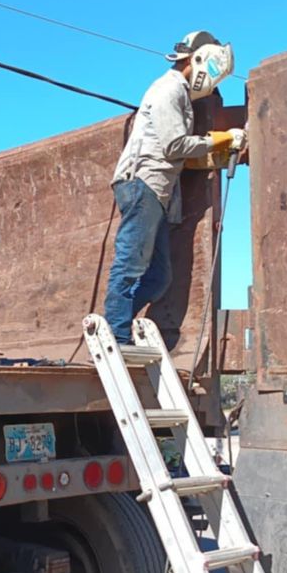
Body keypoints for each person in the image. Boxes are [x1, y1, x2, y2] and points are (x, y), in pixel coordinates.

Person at [104, 30, 245, 344]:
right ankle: (115, 334)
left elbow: (177, 151)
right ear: (198, 61)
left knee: (158, 277)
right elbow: (174, 145)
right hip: (142, 183)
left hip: (157, 190)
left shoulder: (179, 93)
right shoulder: (170, 90)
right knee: (131, 262)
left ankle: (116, 321)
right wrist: (221, 138)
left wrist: (213, 149)